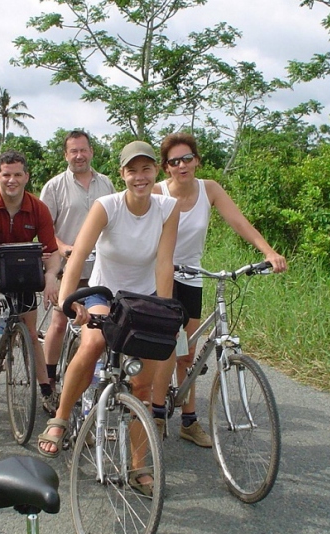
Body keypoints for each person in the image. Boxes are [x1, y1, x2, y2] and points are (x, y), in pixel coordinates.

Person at [37, 140, 179, 497]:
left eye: (147, 169)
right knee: (95, 341)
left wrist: (163, 309)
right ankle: (61, 418)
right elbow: (80, 252)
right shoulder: (107, 206)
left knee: (142, 386)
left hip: (142, 296)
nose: (140, 177)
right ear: (122, 174)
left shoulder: (167, 208)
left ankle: (138, 466)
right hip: (103, 292)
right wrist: (70, 301)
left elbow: (164, 263)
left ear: (156, 173)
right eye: (132, 170)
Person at [151, 132, 287, 447]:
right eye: (174, 161)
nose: (182, 166)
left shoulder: (209, 189)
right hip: (160, 275)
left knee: (188, 354)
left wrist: (268, 252)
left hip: (193, 276)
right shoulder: (157, 192)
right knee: (168, 348)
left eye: (187, 159)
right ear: (166, 167)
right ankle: (156, 413)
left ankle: (188, 421)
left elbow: (240, 222)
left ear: (197, 160)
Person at [0, 150, 61, 438]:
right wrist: (27, 260)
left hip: (20, 273)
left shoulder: (37, 208)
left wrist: (51, 276)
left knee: (32, 335)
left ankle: (46, 390)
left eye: (18, 174)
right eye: (6, 174)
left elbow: (52, 251)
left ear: (26, 177)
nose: (12, 180)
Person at [38, 130, 115, 416]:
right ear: (66, 155)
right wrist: (66, 247)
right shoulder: (55, 186)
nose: (79, 155)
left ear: (91, 152)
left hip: (99, 272)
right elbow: (46, 230)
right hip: (67, 267)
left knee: (99, 330)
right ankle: (49, 382)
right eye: (73, 151)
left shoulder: (106, 184)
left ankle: (97, 386)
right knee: (59, 323)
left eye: (83, 150)